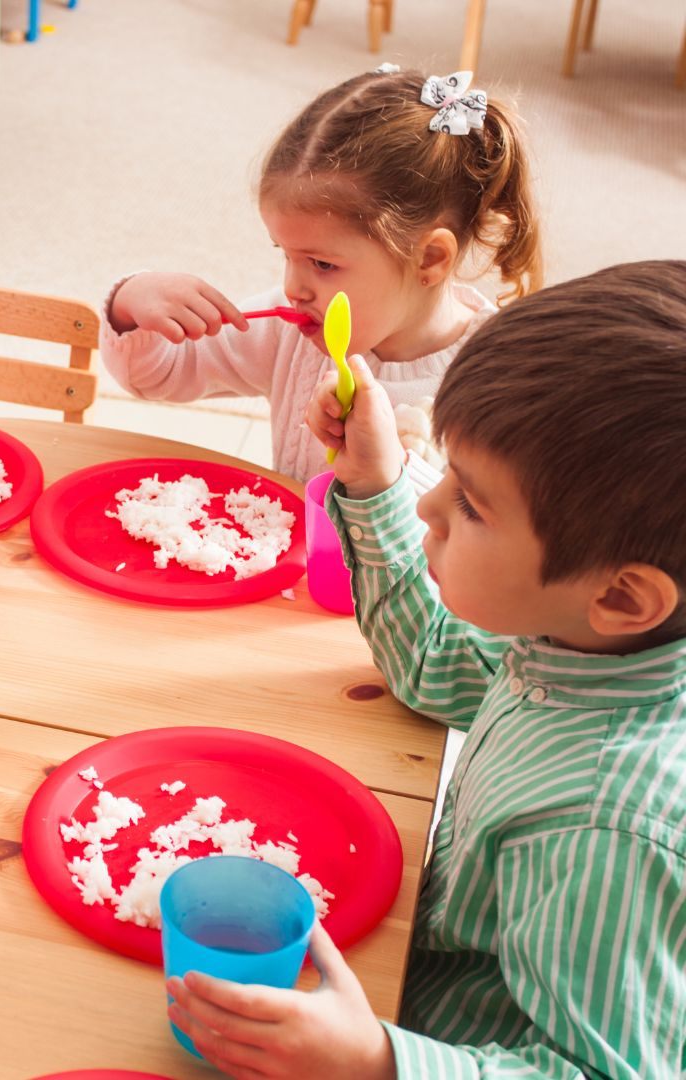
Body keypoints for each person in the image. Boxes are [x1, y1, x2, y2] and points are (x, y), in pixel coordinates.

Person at [168, 261, 686, 1078]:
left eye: (472, 505)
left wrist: (379, 1062)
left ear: (623, 594)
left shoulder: (608, 828)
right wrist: (371, 483)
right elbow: (437, 665)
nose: (429, 506)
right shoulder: (587, 644)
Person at [100, 66, 540, 482]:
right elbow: (160, 375)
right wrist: (133, 304)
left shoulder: (495, 382)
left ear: (429, 259)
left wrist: (384, 479)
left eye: (323, 264)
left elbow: (484, 546)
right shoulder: (294, 333)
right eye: (285, 254)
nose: (293, 288)